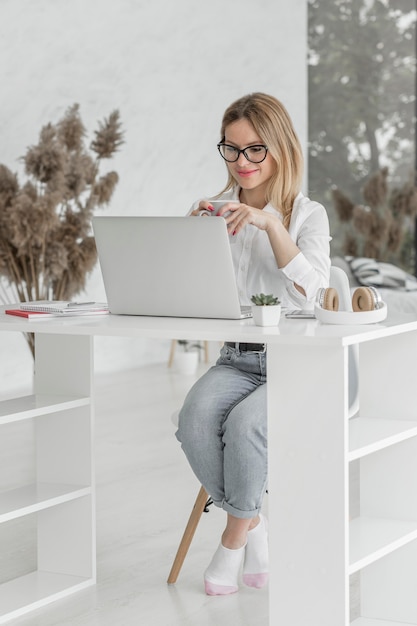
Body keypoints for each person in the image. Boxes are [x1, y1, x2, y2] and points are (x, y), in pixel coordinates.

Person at [175, 92, 331, 596]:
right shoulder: (216, 212)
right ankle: (255, 526)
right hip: (236, 359)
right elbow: (194, 294)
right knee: (194, 421)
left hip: (296, 362)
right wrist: (192, 240)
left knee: (244, 427)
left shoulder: (309, 216)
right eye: (232, 149)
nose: (242, 163)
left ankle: (231, 540)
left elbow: (315, 290)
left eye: (255, 150)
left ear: (280, 148)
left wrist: (271, 225)